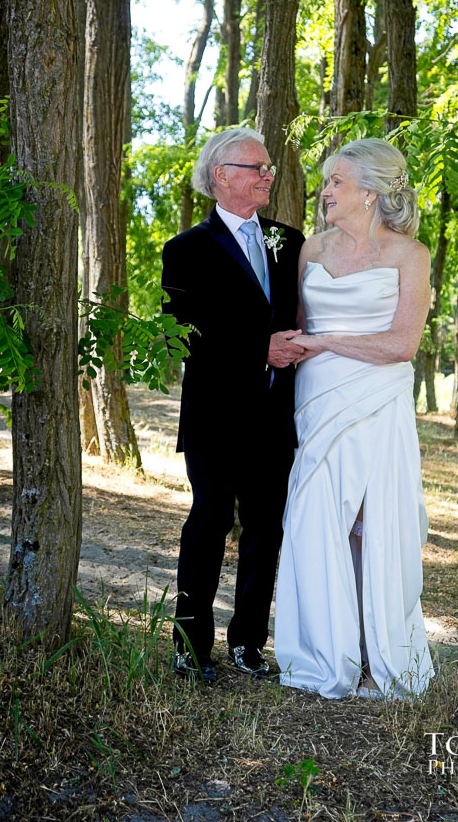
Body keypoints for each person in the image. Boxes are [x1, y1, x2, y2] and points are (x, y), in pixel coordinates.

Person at [274, 138, 434, 699]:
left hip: (377, 398)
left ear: (369, 193)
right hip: (317, 399)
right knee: (315, 520)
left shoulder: (409, 255)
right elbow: (299, 325)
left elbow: (403, 344)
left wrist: (328, 341)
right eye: (326, 182)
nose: (326, 192)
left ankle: (380, 655)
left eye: (337, 182)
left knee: (378, 526)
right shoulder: (310, 252)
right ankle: (325, 655)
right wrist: (297, 346)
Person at [162, 127, 305, 684]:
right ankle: (190, 646)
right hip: (215, 418)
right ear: (221, 176)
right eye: (257, 167)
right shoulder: (185, 251)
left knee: (266, 530)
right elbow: (185, 336)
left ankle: (248, 643)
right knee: (210, 522)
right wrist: (259, 349)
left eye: (269, 167)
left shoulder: (289, 243)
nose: (268, 174)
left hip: (275, 416)